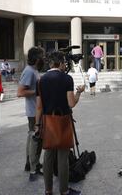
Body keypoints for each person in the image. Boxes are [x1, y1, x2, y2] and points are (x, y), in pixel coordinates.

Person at [35, 51, 85, 195]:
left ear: (50, 63)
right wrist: (79, 92)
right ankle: (64, 191)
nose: (65, 65)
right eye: (64, 62)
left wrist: (37, 125)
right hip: (63, 121)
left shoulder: (40, 80)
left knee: (48, 157)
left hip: (47, 122)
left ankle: (48, 190)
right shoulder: (67, 79)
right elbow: (71, 103)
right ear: (61, 63)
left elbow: (38, 106)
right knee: (63, 158)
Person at [17, 47, 45, 181]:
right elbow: (20, 92)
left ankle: (30, 164)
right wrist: (39, 91)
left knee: (32, 138)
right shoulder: (29, 71)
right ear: (36, 58)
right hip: (34, 112)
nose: (44, 59)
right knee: (36, 139)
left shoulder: (34, 70)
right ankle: (34, 168)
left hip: (35, 111)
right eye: (42, 56)